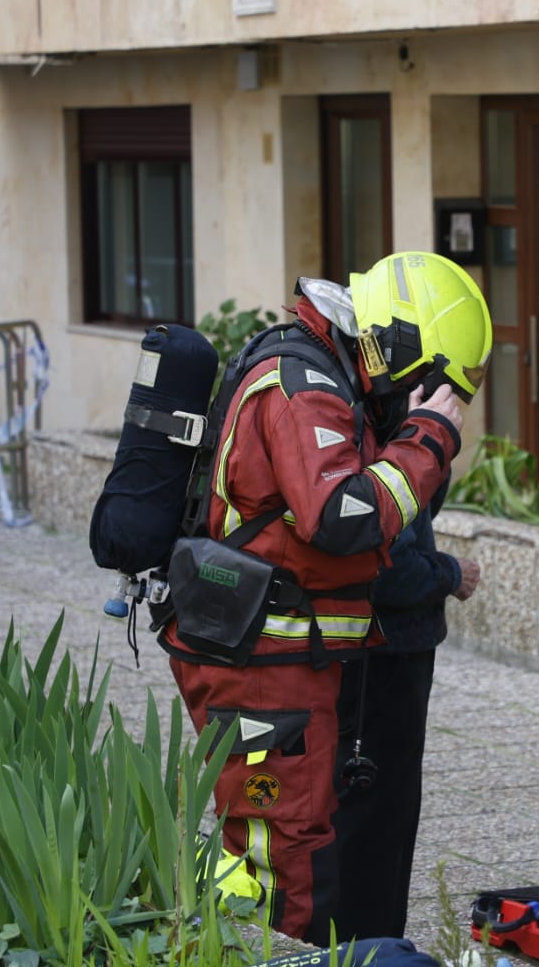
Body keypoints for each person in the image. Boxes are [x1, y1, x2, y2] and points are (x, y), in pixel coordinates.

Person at [161, 251, 492, 946]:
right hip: (263, 670)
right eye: (425, 379)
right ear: (400, 345)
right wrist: (430, 437)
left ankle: (235, 955)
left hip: (269, 661)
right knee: (287, 862)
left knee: (257, 853)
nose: (418, 396)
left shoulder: (327, 375)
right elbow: (341, 516)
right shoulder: (302, 384)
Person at [331, 480, 482, 940]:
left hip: (354, 645)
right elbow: (389, 568)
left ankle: (354, 939)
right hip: (383, 649)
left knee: (361, 809)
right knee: (374, 815)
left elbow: (417, 505)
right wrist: (452, 573)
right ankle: (369, 945)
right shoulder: (376, 421)